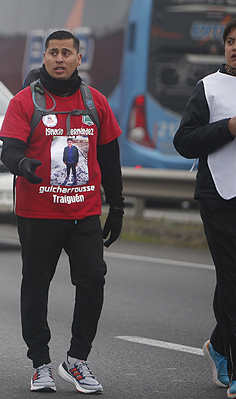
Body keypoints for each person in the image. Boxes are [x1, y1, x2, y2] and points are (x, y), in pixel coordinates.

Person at [0, 30, 124, 394]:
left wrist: (116, 207)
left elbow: (111, 159)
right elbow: (9, 151)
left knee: (92, 279)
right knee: (36, 287)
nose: (59, 58)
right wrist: (24, 165)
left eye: (66, 52)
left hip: (83, 213)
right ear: (44, 57)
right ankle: (40, 364)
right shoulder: (25, 101)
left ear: (78, 58)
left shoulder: (95, 101)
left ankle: (77, 360)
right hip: (38, 213)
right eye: (53, 52)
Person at [173, 19, 236, 398]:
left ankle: (217, 345)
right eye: (231, 41)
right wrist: (227, 128)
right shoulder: (209, 88)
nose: (235, 47)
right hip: (219, 197)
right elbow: (185, 142)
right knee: (231, 280)